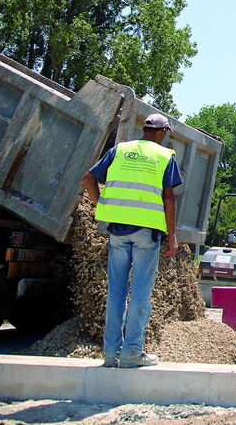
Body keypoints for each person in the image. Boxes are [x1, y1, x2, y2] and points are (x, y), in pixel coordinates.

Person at [80, 113, 182, 368]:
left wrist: (101, 205)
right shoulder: (164, 155)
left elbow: (87, 179)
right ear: (161, 133)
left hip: (117, 232)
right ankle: (132, 352)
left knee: (115, 292)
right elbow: (169, 198)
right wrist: (172, 237)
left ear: (145, 129)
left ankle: (110, 353)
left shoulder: (119, 150)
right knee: (140, 294)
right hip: (146, 233)